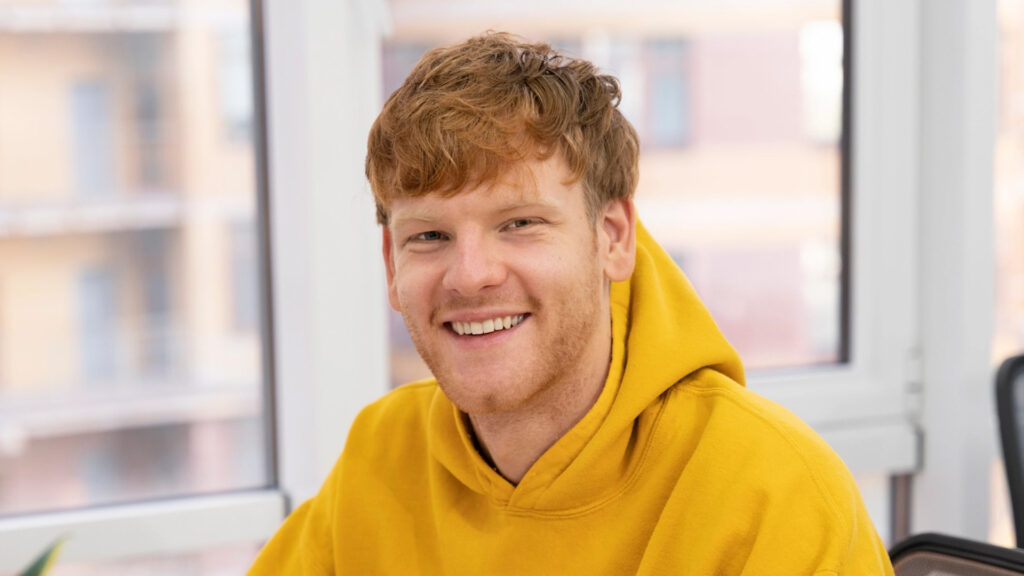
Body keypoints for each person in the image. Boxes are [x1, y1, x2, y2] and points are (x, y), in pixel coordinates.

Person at [249, 32, 895, 575]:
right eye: (430, 237)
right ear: (392, 266)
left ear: (612, 238)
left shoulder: (775, 492)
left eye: (520, 223)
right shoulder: (381, 455)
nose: (470, 276)